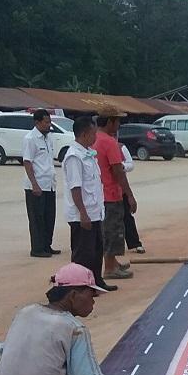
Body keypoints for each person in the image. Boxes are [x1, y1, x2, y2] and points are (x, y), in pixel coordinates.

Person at [63, 116, 116, 292]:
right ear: (85, 134)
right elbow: (75, 188)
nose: (95, 137)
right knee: (83, 253)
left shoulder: (88, 153)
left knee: (96, 251)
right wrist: (83, 213)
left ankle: (96, 282)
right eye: (93, 134)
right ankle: (80, 287)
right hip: (82, 215)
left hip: (95, 212)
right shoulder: (74, 156)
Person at [93, 108, 137, 280]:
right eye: (117, 121)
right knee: (113, 230)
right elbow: (118, 171)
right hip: (110, 193)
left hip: (99, 193)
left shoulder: (94, 139)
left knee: (107, 230)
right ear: (110, 121)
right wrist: (130, 195)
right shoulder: (109, 142)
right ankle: (110, 268)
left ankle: (112, 262)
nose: (119, 124)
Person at [22, 109, 60, 258]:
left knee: (49, 217)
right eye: (46, 122)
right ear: (37, 122)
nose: (49, 125)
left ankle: (46, 245)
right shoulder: (30, 138)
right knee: (37, 218)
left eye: (49, 122)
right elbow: (27, 162)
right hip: (36, 186)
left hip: (49, 184)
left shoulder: (48, 138)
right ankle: (37, 249)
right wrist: (34, 184)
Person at [120, 143, 146, 254]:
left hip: (121, 189)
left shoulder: (121, 147)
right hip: (103, 191)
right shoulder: (94, 147)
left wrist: (122, 166)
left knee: (127, 216)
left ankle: (135, 243)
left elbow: (130, 164)